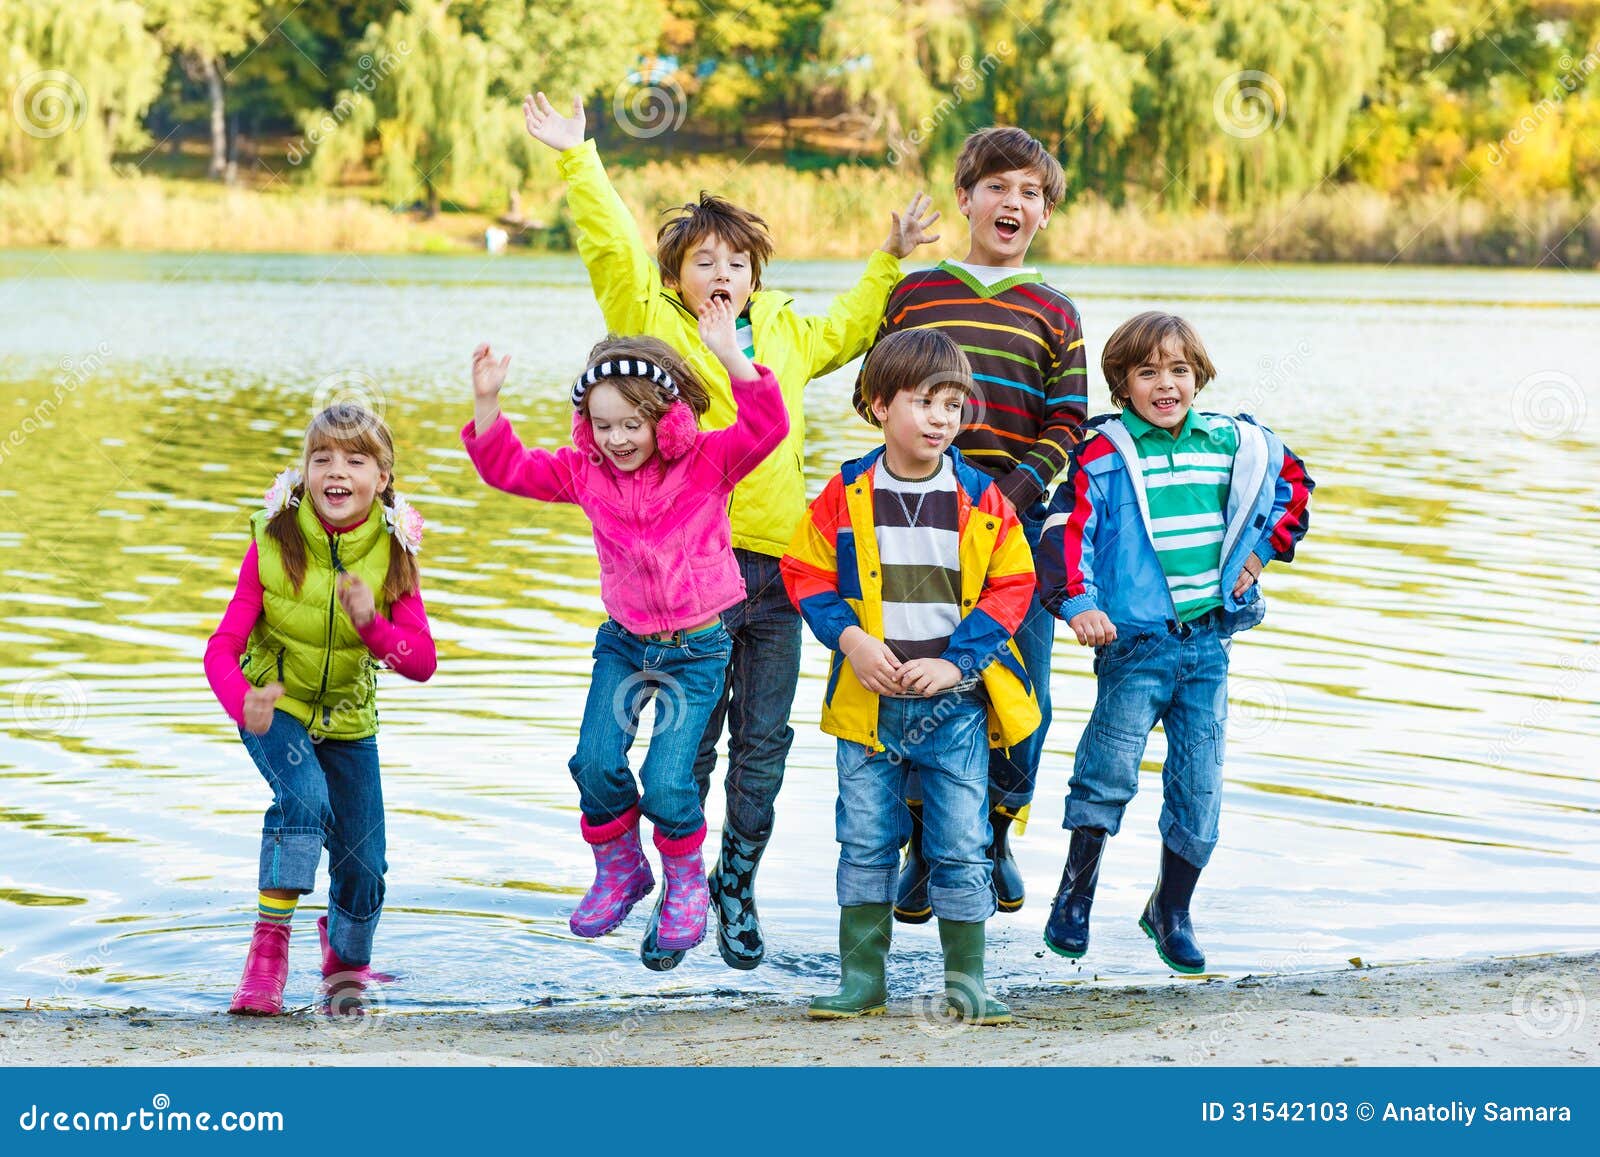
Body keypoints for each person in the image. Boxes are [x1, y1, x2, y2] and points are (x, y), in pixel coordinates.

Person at [521, 91, 940, 969]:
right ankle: (681, 886)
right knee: (690, 739)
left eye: (737, 260)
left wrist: (891, 258)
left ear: (756, 275)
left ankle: (735, 882)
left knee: (764, 738)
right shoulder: (650, 325)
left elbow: (852, 326)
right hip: (687, 583)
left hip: (780, 570)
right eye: (704, 259)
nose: (721, 272)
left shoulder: (785, 331)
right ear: (677, 274)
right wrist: (577, 156)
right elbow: (608, 242)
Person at [461, 297, 787, 968]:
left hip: (697, 649)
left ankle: (687, 884)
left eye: (631, 423)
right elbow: (508, 468)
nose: (617, 439)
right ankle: (620, 869)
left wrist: (731, 353)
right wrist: (488, 403)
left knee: (668, 784)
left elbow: (767, 425)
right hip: (625, 643)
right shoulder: (586, 475)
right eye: (602, 425)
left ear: (665, 421)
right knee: (593, 761)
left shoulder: (706, 463)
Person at [1036, 311, 1314, 973]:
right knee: (1106, 772)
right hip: (1134, 648)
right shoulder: (1104, 452)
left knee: (1200, 787)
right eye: (1148, 372)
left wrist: (1257, 558)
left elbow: (1292, 484)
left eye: (1179, 370)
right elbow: (1065, 528)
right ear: (1122, 384)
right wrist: (1079, 604)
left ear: (1200, 376)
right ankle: (1075, 896)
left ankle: (1173, 908)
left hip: (1207, 647)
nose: (1166, 384)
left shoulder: (1231, 442)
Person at [859, 126, 1087, 920]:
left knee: (1023, 693)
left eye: (1030, 192)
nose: (1012, 202)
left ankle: (992, 828)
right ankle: (926, 841)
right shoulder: (917, 294)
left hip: (1015, 534)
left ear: (1044, 214)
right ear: (965, 198)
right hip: (917, 526)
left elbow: (1069, 422)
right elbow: (876, 394)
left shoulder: (1055, 310)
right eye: (997, 187)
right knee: (922, 688)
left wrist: (1008, 500)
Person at [782, 328, 1040, 1023]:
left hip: (954, 707)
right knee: (864, 838)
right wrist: (854, 640)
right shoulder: (845, 491)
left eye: (953, 405)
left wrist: (957, 660)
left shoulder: (982, 496)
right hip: (866, 705)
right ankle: (862, 979)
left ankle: (968, 982)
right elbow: (803, 572)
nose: (940, 418)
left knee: (960, 841)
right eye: (924, 401)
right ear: (876, 404)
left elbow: (1014, 584)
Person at [205, 404, 436, 1015]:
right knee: (303, 798)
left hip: (348, 720)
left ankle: (345, 961)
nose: (337, 471)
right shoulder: (273, 539)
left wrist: (372, 626)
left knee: (365, 868)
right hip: (273, 705)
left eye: (356, 460)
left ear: (382, 478)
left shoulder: (394, 551)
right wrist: (243, 702)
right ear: (304, 471)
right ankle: (267, 952)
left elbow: (421, 662)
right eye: (322, 457)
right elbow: (221, 647)